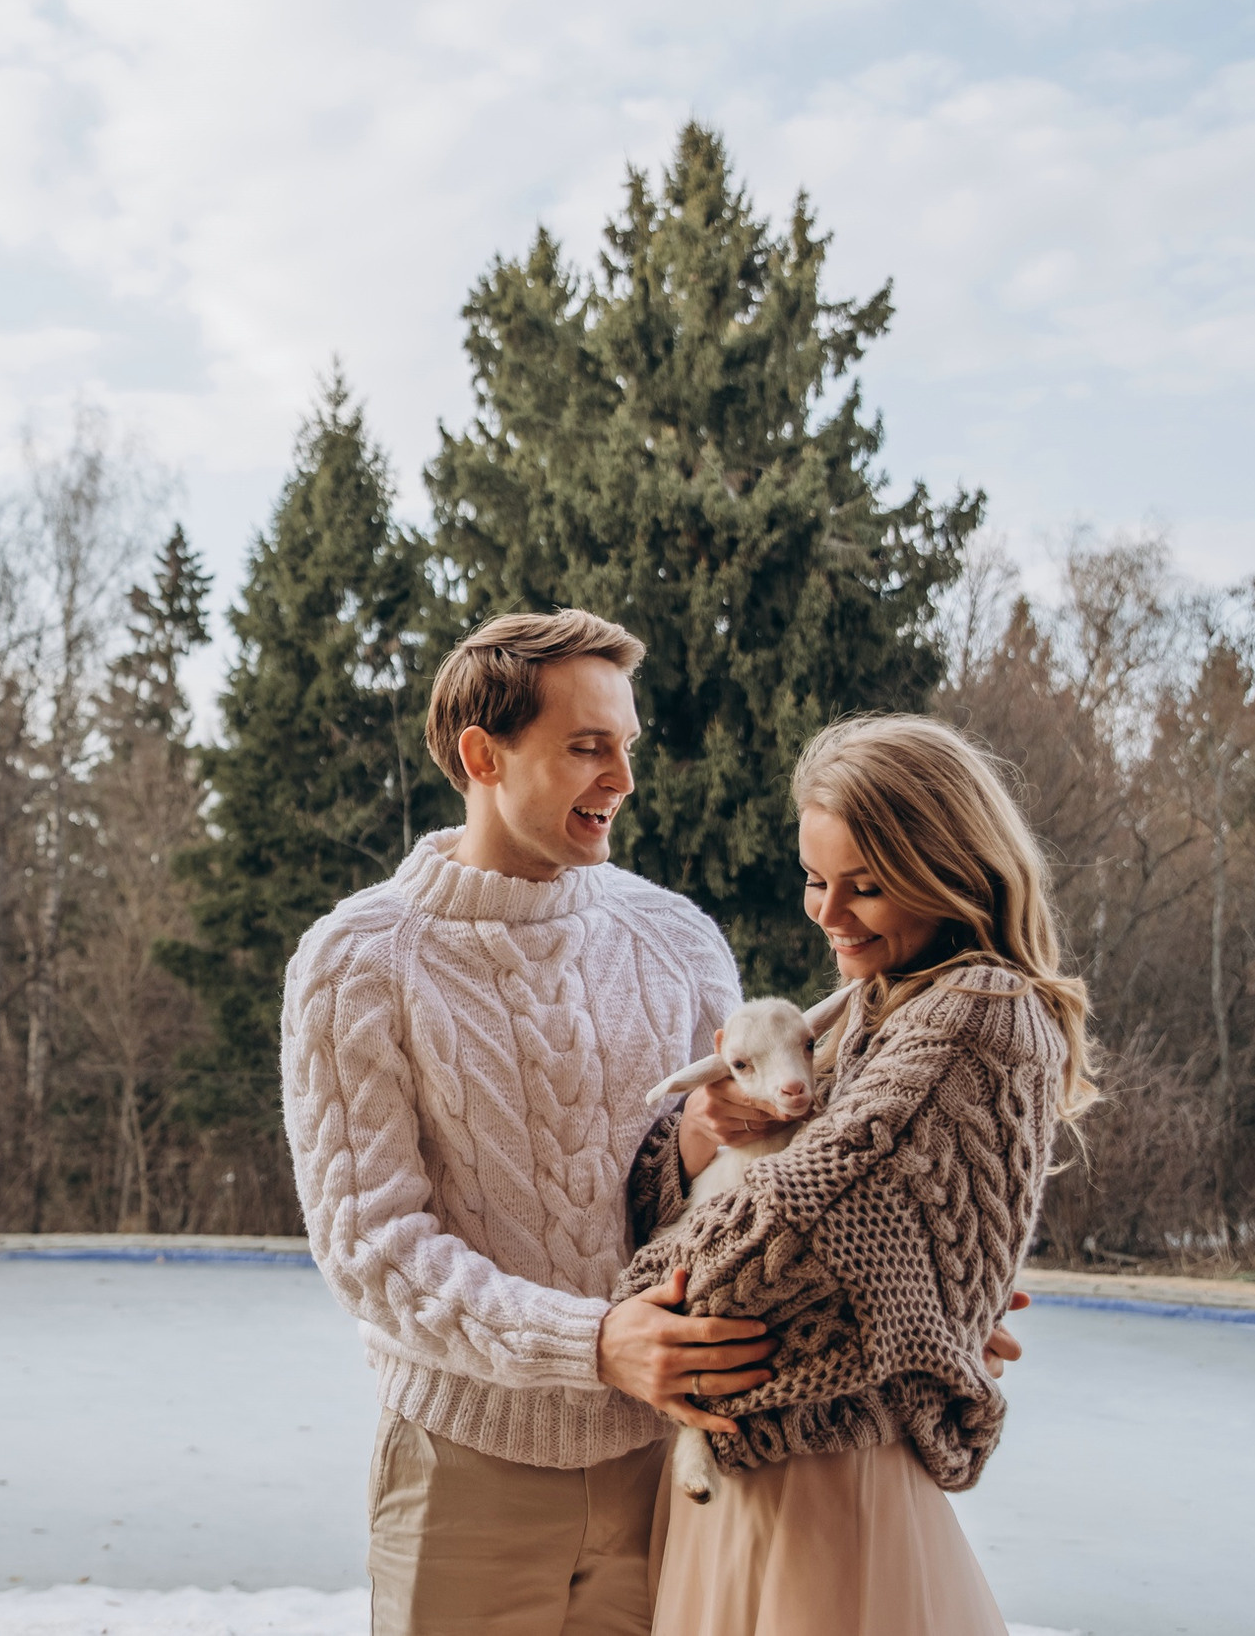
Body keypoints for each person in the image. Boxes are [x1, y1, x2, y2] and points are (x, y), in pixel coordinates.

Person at [281, 609, 774, 1636]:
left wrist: (916, 1302)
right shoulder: (356, 963)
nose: (622, 778)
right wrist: (592, 1343)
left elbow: (742, 1189)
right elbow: (372, 1247)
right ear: (482, 756)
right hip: (462, 1475)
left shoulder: (679, 939)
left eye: (627, 745)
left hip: (672, 1465)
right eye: (588, 746)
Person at [621, 713, 1095, 1635]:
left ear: (950, 872)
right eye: (814, 878)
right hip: (775, 1485)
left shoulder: (971, 1015)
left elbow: (752, 1260)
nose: (828, 913)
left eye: (866, 886)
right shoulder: (880, 1006)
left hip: (822, 1507)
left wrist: (627, 1313)